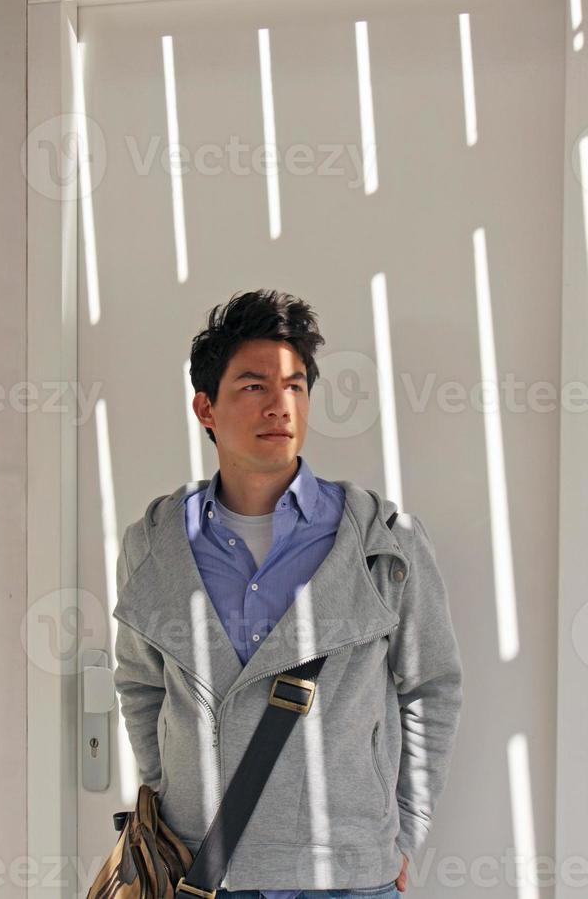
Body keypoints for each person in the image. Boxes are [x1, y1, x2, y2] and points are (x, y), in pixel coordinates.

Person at [113, 289, 463, 899]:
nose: (281, 405)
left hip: (348, 875)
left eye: (296, 386)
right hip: (204, 873)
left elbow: (431, 687)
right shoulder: (156, 543)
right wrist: (174, 813)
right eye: (254, 386)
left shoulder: (381, 541)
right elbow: (141, 686)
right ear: (206, 407)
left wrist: (405, 832)